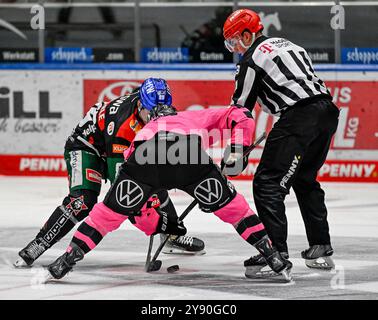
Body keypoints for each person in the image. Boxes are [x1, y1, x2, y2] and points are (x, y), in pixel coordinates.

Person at [45, 78, 292, 282]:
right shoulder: (193, 118)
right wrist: (237, 150)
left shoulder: (138, 132)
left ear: (146, 108)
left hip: (143, 158)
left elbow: (131, 178)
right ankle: (273, 256)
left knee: (106, 216)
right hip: (190, 157)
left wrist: (154, 219)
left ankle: (66, 259)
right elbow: (241, 115)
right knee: (234, 209)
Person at [14, 78, 205, 268]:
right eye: (152, 114)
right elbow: (122, 186)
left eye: (161, 113)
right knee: (82, 201)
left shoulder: (157, 111)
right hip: (88, 146)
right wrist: (149, 211)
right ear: (140, 105)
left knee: (156, 181)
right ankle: (38, 244)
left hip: (114, 146)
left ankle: (171, 235)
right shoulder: (123, 125)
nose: (158, 119)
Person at [223, 9, 339, 278]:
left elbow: (240, 110)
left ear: (249, 34)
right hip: (326, 112)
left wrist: (235, 152)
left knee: (267, 184)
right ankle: (320, 247)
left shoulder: (250, 60)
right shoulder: (290, 45)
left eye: (235, 41)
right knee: (305, 179)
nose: (235, 49)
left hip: (298, 117)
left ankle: (274, 252)